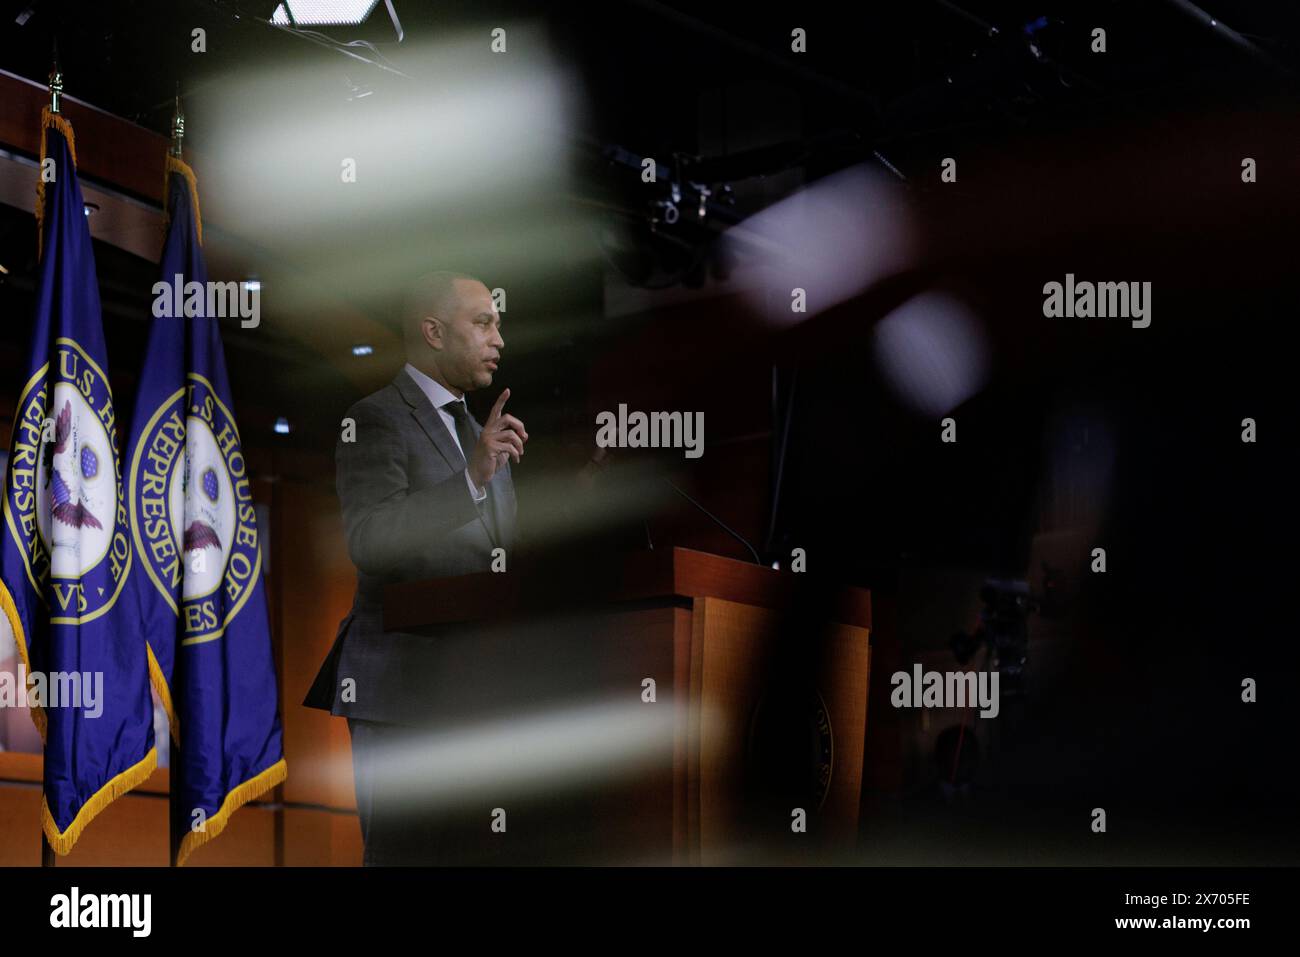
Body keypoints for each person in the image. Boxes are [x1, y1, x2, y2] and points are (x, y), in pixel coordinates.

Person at [303, 270, 528, 865]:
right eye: (483, 323)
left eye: (498, 324)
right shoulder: (375, 418)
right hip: (400, 693)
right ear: (432, 331)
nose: (498, 338)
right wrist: (470, 481)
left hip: (479, 699)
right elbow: (371, 540)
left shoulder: (487, 441)